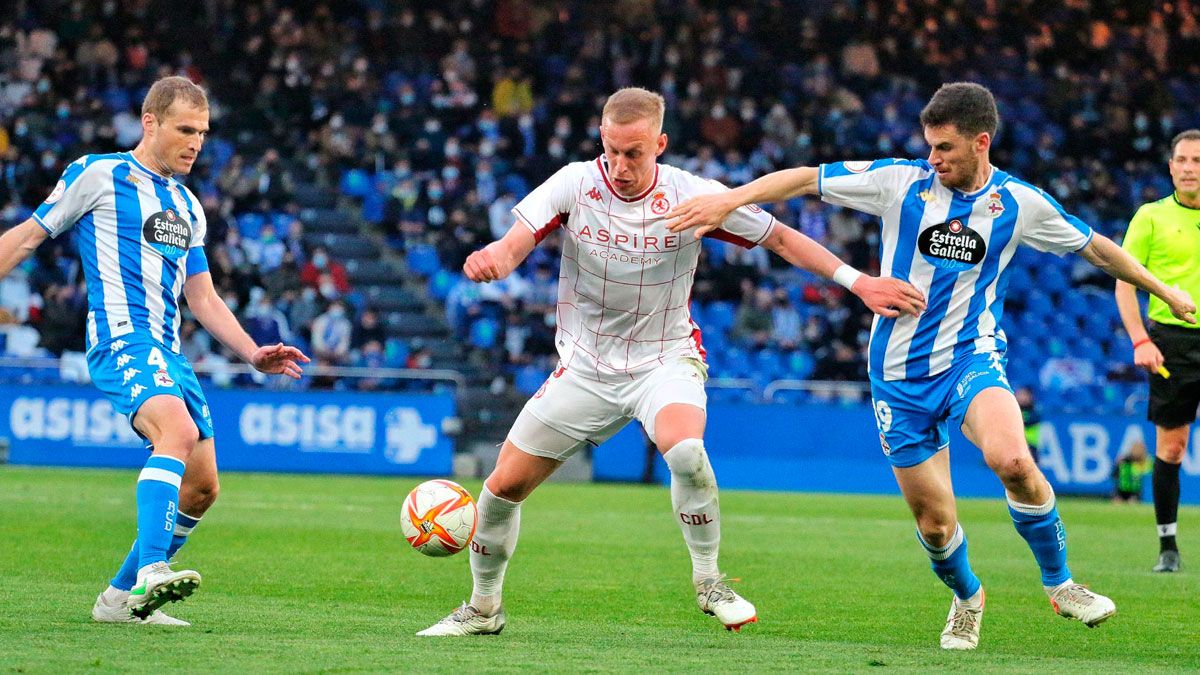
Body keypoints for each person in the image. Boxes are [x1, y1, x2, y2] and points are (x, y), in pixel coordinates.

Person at [667, 82, 1197, 650]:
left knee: (1013, 459)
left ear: (981, 142)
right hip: (896, 376)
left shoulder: (1019, 204)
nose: (932, 157)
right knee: (936, 525)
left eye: (944, 147)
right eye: (929, 145)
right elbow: (803, 177)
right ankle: (968, 597)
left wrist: (1161, 289)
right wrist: (729, 200)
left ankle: (1061, 582)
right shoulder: (900, 182)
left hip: (971, 358)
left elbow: (1097, 248)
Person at [417, 87, 925, 637]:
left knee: (684, 450)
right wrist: (497, 255)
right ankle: (484, 609)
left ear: (660, 144)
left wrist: (859, 282)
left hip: (665, 360)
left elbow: (779, 238)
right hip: (585, 368)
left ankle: (710, 581)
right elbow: (519, 239)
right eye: (610, 150)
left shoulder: (694, 198)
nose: (619, 165)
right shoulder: (573, 184)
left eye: (633, 153)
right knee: (499, 491)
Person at [0, 76, 309, 625]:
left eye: (203, 133)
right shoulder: (100, 174)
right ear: (150, 123)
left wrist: (251, 352)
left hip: (169, 351)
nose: (196, 143)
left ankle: (118, 601)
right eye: (185, 130)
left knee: (203, 487)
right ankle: (151, 572)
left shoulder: (188, 205)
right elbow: (27, 237)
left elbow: (203, 297)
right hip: (121, 337)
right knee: (178, 433)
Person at [1114, 128, 1200, 573]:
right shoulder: (1150, 216)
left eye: (1197, 161)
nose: (1189, 168)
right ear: (1170, 167)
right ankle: (1168, 546)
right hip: (1171, 340)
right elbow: (1124, 282)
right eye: (1182, 160)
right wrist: (1141, 340)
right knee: (1172, 447)